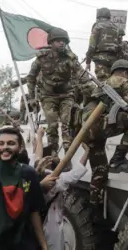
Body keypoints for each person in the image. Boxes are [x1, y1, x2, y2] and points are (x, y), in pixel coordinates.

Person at [81, 59, 128, 213]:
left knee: (99, 172)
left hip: (86, 130)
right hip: (99, 126)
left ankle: (94, 209)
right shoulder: (125, 81)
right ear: (126, 72)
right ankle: (118, 159)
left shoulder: (100, 85)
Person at [27, 27, 90, 159]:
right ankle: (53, 156)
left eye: (64, 41)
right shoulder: (41, 58)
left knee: (66, 126)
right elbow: (31, 78)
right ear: (51, 43)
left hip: (66, 95)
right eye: (58, 41)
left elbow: (82, 75)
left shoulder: (70, 58)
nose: (62, 43)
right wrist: (32, 98)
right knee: (52, 126)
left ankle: (68, 156)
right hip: (48, 96)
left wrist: (91, 88)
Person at [85, 7, 121, 82]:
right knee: (113, 83)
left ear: (98, 16)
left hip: (100, 59)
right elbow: (120, 46)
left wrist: (88, 62)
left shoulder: (97, 26)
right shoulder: (116, 28)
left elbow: (92, 46)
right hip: (114, 60)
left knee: (103, 83)